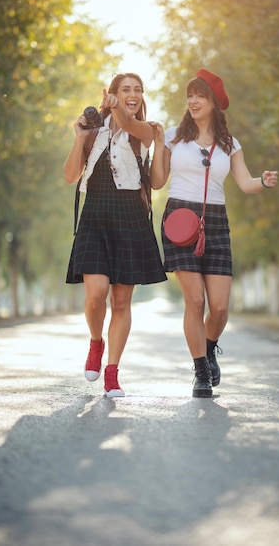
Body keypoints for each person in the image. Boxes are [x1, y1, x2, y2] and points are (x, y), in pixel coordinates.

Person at [150, 68, 278, 398]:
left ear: (213, 103)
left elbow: (246, 183)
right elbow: (157, 180)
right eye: (190, 95)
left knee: (219, 308)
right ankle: (200, 373)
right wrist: (157, 145)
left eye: (200, 96)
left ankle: (209, 349)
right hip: (179, 218)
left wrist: (262, 181)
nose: (193, 100)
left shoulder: (229, 144)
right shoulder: (175, 136)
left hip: (216, 222)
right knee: (194, 300)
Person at [64, 72, 166, 398]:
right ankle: (96, 342)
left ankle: (112, 373)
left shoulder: (146, 130)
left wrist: (115, 106)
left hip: (131, 217)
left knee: (121, 301)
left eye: (137, 90)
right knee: (96, 294)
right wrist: (79, 137)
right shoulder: (93, 133)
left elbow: (127, 121)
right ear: (112, 93)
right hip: (94, 215)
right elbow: (69, 177)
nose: (132, 94)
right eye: (125, 90)